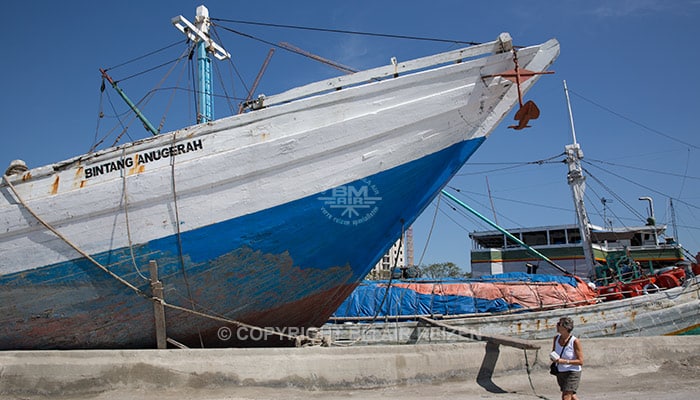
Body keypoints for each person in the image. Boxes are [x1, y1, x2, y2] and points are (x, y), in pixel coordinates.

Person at [551, 316, 583, 400]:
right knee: (571, 395)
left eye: (559, 324)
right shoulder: (556, 339)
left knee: (566, 396)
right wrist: (553, 358)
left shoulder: (575, 341)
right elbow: (554, 352)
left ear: (565, 327)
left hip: (572, 372)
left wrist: (564, 361)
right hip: (560, 372)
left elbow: (580, 361)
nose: (557, 325)